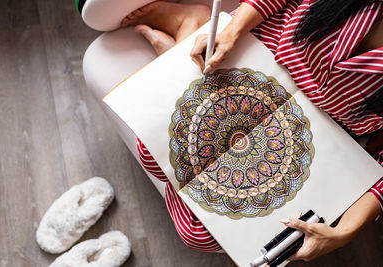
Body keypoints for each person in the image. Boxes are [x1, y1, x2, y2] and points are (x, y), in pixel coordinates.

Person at [123, 0, 383, 262]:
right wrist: (231, 32)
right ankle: (187, 25)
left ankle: (186, 34)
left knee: (197, 233)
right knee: (150, 152)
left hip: (322, 128)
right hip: (265, 52)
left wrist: (344, 233)